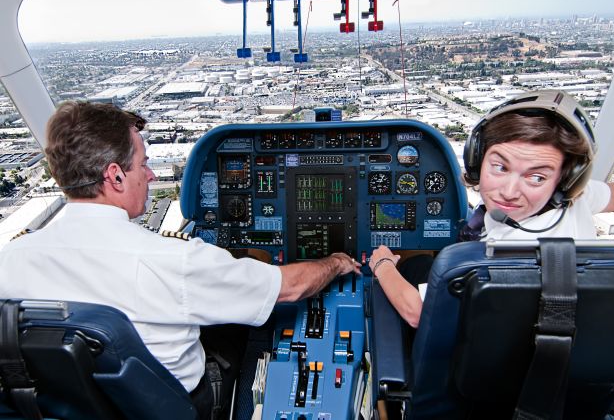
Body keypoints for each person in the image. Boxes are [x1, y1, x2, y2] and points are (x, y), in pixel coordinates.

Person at [0, 101, 361, 419]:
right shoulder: (174, 260)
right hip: (177, 406)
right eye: (144, 164)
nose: (152, 174)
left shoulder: (10, 260)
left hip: (63, 408)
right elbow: (290, 287)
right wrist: (336, 263)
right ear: (115, 175)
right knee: (244, 324)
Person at [369, 89, 614, 328]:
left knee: (411, 264)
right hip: (539, 335)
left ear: (565, 179)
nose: (509, 192)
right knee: (423, 263)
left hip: (478, 349)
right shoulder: (575, 197)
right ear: (478, 158)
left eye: (536, 177)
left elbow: (417, 312)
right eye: (500, 167)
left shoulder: (492, 261)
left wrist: (382, 265)